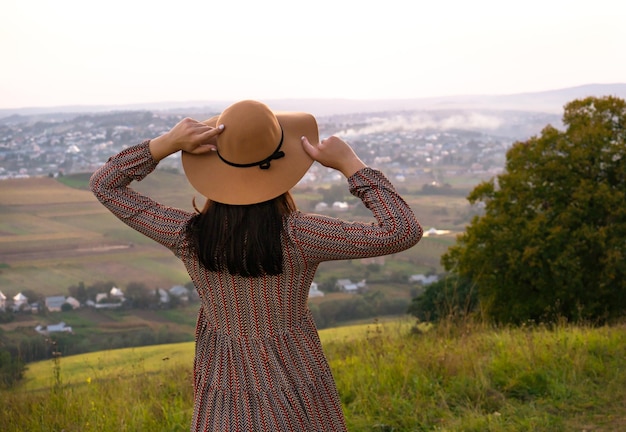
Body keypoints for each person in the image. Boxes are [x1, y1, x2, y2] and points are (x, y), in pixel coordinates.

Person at [90, 100, 422, 431]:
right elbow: (402, 230)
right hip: (294, 374)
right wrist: (351, 164)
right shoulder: (300, 235)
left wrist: (165, 144)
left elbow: (105, 184)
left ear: (216, 167)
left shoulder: (189, 236)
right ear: (284, 165)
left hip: (223, 377)